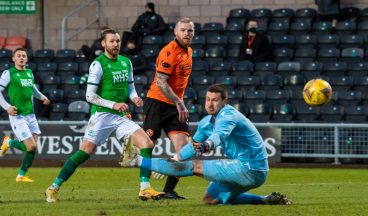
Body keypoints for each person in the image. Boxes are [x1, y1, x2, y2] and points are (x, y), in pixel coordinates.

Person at [45, 28, 164, 203]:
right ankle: (53, 188)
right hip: (101, 116)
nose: (116, 44)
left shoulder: (126, 62)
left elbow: (130, 87)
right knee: (85, 152)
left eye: (117, 41)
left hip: (120, 116)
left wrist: (135, 97)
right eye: (112, 41)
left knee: (146, 143)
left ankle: (145, 188)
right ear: (103, 44)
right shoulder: (98, 64)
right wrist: (113, 104)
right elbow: (89, 96)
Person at [124, 84, 291, 205]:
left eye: (215, 100)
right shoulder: (206, 122)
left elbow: (219, 135)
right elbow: (192, 146)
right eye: (208, 99)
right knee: (210, 200)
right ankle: (265, 200)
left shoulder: (228, 116)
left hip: (250, 167)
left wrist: (207, 145)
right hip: (247, 170)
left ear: (224, 101)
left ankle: (136, 161)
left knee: (195, 167)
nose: (210, 104)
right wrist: (175, 158)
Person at [142, 17, 194, 199]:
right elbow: (161, 82)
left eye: (190, 30)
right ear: (175, 32)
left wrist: (178, 102)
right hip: (157, 102)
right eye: (183, 30)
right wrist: (179, 102)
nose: (187, 33)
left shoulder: (189, 51)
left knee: (184, 150)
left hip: (174, 105)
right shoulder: (169, 52)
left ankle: (169, 190)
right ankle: (144, 187)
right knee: (148, 146)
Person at [0, 48, 50, 183]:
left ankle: (21, 175)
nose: (21, 58)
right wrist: (7, 107)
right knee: (31, 147)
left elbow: (32, 89)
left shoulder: (29, 72)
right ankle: (9, 142)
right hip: (17, 115)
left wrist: (42, 97)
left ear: (27, 59)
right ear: (13, 59)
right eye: (18, 56)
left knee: (32, 148)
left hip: (31, 115)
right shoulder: (9, 73)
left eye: (24, 56)